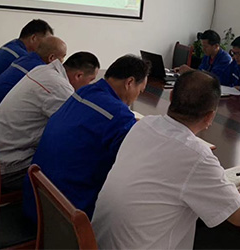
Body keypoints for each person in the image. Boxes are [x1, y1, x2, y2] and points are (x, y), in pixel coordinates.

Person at [92, 70, 240, 250]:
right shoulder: (197, 156)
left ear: (171, 97)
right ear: (210, 116)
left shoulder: (143, 125)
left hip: (98, 243)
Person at [22, 54, 149, 221]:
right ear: (129, 82)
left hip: (37, 197)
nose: (136, 97)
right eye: (139, 91)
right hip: (65, 216)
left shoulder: (83, 92)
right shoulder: (119, 115)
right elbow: (132, 166)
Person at [0, 52, 100, 192]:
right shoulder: (59, 87)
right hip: (7, 168)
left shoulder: (43, 70)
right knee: (80, 170)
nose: (90, 86)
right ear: (79, 76)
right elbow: (77, 130)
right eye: (91, 80)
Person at [0, 36, 67, 115]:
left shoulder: (24, 59)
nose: (63, 62)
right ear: (52, 58)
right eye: (63, 57)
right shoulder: (39, 71)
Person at [0, 19, 54, 87]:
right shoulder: (22, 57)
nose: (48, 46)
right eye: (47, 41)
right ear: (33, 38)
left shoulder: (11, 45)